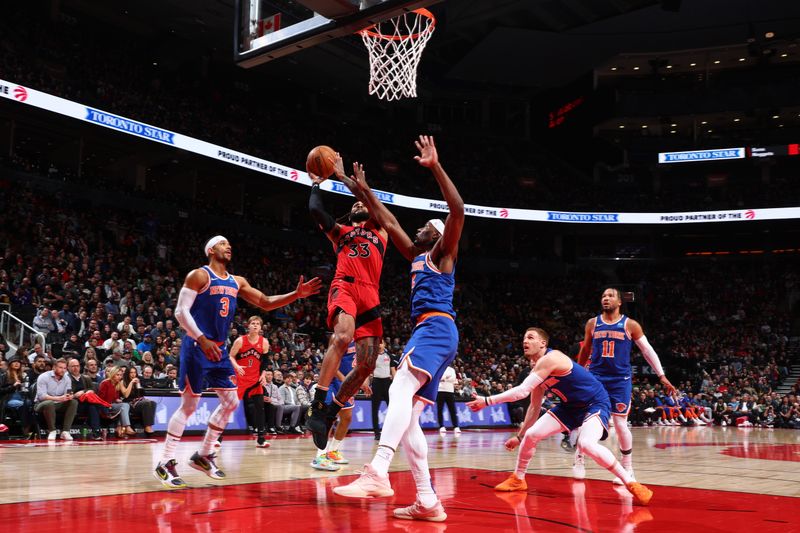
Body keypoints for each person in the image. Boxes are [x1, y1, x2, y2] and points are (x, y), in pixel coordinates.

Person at [333, 136, 463, 523]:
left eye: (426, 225)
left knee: (401, 385)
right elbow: (387, 219)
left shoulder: (443, 252)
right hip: (435, 332)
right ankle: (427, 500)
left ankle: (378, 470)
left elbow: (457, 209)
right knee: (408, 424)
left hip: (436, 329)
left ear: (437, 235)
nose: (420, 227)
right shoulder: (416, 254)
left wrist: (435, 167)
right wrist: (359, 187)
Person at [153, 236, 321, 489]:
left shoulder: (236, 281)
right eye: (223, 243)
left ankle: (204, 455)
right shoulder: (199, 275)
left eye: (229, 244)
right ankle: (165, 461)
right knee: (189, 405)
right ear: (211, 249)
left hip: (219, 349)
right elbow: (180, 312)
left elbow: (265, 302)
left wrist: (296, 295)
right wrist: (201, 338)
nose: (228, 246)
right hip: (197, 346)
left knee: (231, 401)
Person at [466, 328, 653, 506]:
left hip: (594, 403)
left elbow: (521, 391)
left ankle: (631, 483)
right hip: (569, 407)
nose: (525, 341)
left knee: (586, 444)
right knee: (532, 435)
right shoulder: (537, 371)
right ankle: (518, 479)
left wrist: (487, 401)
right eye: (524, 338)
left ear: (543, 343)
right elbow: (534, 407)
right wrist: (520, 436)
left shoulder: (552, 358)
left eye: (530, 337)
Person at [306, 155, 389, 450]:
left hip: (371, 296)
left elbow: (371, 202)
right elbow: (316, 209)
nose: (357, 206)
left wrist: (347, 179)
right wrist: (318, 183)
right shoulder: (340, 233)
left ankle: (330, 413)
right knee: (342, 336)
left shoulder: (380, 230)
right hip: (345, 287)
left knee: (366, 365)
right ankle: (317, 404)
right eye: (353, 205)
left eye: (360, 204)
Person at [574, 288, 676, 483]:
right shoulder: (592, 323)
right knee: (585, 419)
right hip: (596, 377)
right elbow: (586, 349)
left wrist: (661, 375)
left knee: (620, 424)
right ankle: (579, 457)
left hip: (620, 380)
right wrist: (577, 373)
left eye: (610, 296)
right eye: (603, 296)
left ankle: (627, 467)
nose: (606, 298)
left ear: (619, 302)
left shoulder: (630, 324)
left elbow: (648, 350)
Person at [310, 341, 362, 471]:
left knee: (347, 417)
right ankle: (320, 456)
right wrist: (346, 381)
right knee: (327, 417)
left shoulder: (362, 340)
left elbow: (361, 364)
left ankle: (332, 451)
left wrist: (362, 381)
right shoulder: (340, 336)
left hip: (347, 382)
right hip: (332, 381)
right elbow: (331, 364)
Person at [229, 315, 270, 447]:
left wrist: (263, 375)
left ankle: (261, 439)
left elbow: (265, 361)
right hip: (240, 378)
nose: (255, 325)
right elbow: (230, 356)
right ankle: (217, 437)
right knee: (229, 407)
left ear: (260, 327)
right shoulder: (240, 341)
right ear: (248, 326)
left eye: (258, 323)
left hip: (255, 379)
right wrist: (237, 366)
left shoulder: (264, 342)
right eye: (253, 323)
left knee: (260, 408)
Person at [34, 358, 78, 441]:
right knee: (49, 403)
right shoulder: (43, 377)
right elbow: (41, 396)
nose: (63, 370)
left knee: (73, 402)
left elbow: (67, 393)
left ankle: (65, 431)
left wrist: (69, 396)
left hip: (59, 403)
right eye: (60, 368)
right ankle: (52, 431)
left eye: (65, 368)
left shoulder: (67, 378)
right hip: (41, 404)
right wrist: (58, 398)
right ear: (54, 367)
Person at [66, 357, 103, 440]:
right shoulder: (66, 378)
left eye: (77, 366)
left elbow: (92, 389)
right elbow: (68, 393)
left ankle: (96, 431)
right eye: (73, 366)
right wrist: (76, 395)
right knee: (93, 406)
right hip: (73, 404)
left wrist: (85, 391)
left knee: (92, 405)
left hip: (86, 403)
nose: (76, 368)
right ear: (68, 368)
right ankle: (96, 431)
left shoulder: (86, 378)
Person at [97, 366, 136, 438]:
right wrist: (112, 402)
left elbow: (116, 397)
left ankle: (119, 429)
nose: (119, 377)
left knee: (124, 406)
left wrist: (117, 400)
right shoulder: (105, 383)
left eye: (121, 375)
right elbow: (100, 399)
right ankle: (127, 427)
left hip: (112, 405)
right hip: (105, 407)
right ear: (112, 374)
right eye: (117, 375)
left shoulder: (117, 384)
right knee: (124, 406)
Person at [0, 356, 33, 437]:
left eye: (18, 362)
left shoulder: (23, 376)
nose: (17, 363)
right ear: (10, 364)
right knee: (24, 404)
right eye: (14, 362)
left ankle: (30, 429)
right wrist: (13, 386)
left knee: (31, 405)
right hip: (9, 398)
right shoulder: (4, 375)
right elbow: (1, 390)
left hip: (22, 397)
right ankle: (25, 429)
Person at [371, 340, 397, 441]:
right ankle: (377, 433)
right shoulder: (372, 356)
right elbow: (369, 371)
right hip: (376, 382)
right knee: (374, 409)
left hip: (387, 383)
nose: (379, 345)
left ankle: (392, 432)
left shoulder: (389, 355)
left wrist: (395, 385)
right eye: (377, 343)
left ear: (384, 344)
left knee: (391, 409)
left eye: (381, 343)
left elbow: (393, 371)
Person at [120, 366, 157, 437]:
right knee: (146, 403)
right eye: (131, 372)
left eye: (134, 372)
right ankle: (147, 427)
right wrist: (131, 383)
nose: (133, 374)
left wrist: (139, 385)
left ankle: (148, 426)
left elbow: (140, 395)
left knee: (152, 403)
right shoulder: (123, 382)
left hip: (137, 402)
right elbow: (126, 395)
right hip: (128, 404)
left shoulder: (137, 381)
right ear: (127, 373)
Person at [436, 365, 460, 435]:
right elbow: (439, 377)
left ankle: (456, 426)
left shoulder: (451, 370)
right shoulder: (439, 368)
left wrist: (444, 378)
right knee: (440, 409)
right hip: (440, 390)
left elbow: (453, 378)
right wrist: (446, 378)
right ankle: (441, 426)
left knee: (452, 410)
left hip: (450, 391)